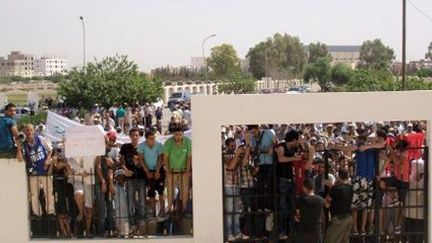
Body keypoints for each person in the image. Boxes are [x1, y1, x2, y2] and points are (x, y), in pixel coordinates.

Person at [274, 130, 303, 240]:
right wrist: (293, 158)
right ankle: (282, 231)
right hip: (282, 180)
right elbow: (281, 159)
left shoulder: (294, 148)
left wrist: (301, 143)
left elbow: (305, 150)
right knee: (283, 207)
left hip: (291, 180)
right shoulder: (281, 146)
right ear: (294, 139)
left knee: (292, 206)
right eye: (298, 139)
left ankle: (291, 231)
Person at [22, 124, 55, 217]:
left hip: (44, 170)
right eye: (27, 131)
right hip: (33, 172)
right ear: (25, 132)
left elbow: (51, 150)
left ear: (34, 131)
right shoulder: (24, 144)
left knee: (49, 192)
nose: (29, 132)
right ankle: (37, 213)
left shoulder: (40, 139)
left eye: (31, 130)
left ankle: (50, 212)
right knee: (33, 194)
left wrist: (48, 159)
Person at [120, 128, 147, 236]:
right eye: (133, 135)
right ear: (130, 136)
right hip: (130, 178)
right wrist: (125, 170)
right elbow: (121, 161)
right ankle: (132, 228)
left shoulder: (143, 147)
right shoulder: (125, 147)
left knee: (142, 203)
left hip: (141, 177)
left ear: (139, 136)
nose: (135, 137)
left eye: (137, 135)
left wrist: (139, 162)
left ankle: (142, 227)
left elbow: (145, 164)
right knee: (130, 203)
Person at [223, 138, 250, 241]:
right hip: (228, 185)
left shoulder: (235, 155)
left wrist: (246, 151)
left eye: (235, 145)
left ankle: (237, 232)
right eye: (232, 146)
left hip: (236, 185)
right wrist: (237, 154)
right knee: (230, 211)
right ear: (227, 146)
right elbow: (230, 166)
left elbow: (243, 164)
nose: (234, 147)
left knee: (236, 211)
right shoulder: (224, 155)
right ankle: (229, 233)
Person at [163, 124, 192, 215]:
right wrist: (167, 170)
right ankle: (170, 209)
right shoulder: (168, 142)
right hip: (171, 170)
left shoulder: (188, 142)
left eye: (180, 134)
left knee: (185, 190)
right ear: (173, 134)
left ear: (183, 134)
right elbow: (165, 157)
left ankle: (184, 208)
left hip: (184, 170)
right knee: (170, 190)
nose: (178, 137)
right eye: (176, 135)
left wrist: (187, 170)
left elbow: (189, 157)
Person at [137, 129, 165, 218]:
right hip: (147, 170)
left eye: (154, 138)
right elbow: (141, 159)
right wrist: (147, 171)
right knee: (151, 192)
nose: (153, 140)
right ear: (146, 139)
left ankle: (162, 210)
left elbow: (160, 158)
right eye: (151, 138)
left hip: (158, 169)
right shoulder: (141, 146)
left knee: (161, 191)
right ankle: (153, 213)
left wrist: (157, 171)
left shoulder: (159, 145)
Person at [325, 169, 354, 243]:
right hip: (348, 217)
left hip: (339, 220)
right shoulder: (350, 188)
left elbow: (327, 202)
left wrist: (331, 186)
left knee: (330, 240)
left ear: (338, 176)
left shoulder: (335, 188)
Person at [294, 178, 324, 243]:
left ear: (304, 188)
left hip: (304, 231)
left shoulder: (300, 200)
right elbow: (321, 215)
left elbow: (297, 217)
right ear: (313, 187)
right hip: (316, 230)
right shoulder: (321, 200)